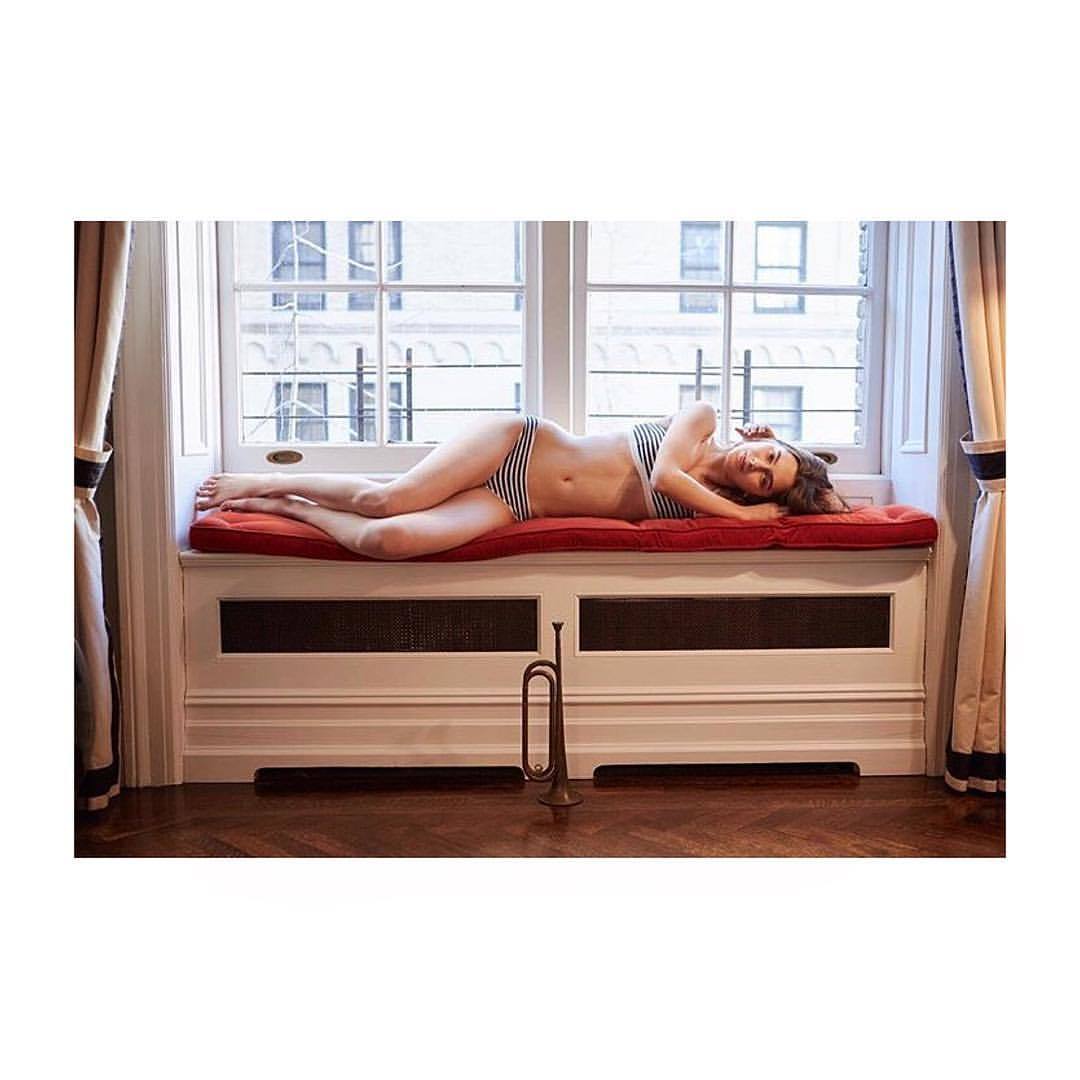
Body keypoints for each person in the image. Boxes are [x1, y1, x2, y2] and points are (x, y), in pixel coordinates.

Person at [195, 400, 850, 560]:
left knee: (386, 540)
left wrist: (786, 489)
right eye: (769, 456)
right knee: (385, 498)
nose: (757, 469)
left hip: (512, 501)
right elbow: (663, 475)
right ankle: (259, 483)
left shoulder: (713, 504)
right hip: (518, 443)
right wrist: (748, 512)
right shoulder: (702, 422)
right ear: (764, 438)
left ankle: (292, 506)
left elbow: (832, 506)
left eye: (766, 482)